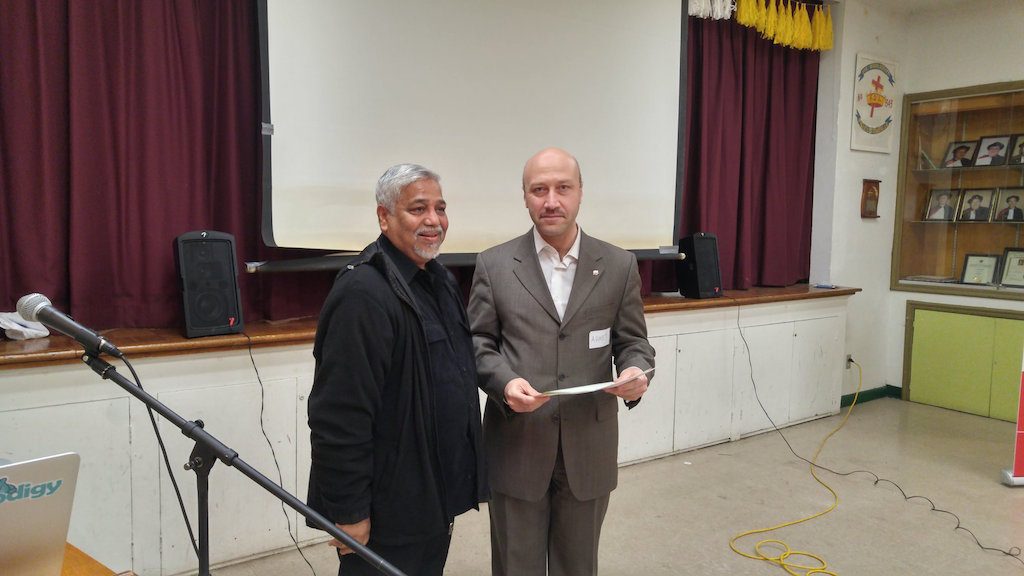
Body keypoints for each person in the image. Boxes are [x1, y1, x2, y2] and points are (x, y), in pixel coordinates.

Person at [468, 147, 655, 576]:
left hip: (588, 447)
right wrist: (504, 383)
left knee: (578, 566)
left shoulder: (619, 265)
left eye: (563, 188)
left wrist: (635, 370)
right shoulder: (494, 265)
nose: (551, 201)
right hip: (517, 445)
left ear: (580, 192)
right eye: (539, 190)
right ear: (525, 196)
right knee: (516, 566)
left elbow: (633, 341)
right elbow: (478, 343)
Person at [306, 164, 487, 576]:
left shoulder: (439, 281)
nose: (434, 221)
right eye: (418, 209)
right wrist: (349, 511)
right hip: (388, 507)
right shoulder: (362, 294)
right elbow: (339, 416)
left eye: (440, 208)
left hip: (432, 498)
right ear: (384, 217)